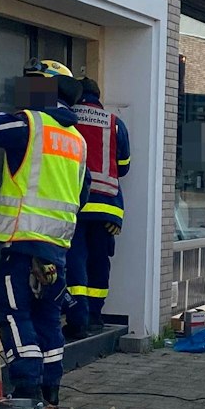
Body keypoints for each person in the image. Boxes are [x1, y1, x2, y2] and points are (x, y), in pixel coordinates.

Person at [0, 60, 87, 406]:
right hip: (57, 249)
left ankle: (26, 390)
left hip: (23, 243)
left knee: (14, 313)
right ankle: (50, 391)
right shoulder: (77, 140)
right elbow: (81, 196)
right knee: (47, 317)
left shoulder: (30, 124)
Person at [66, 78, 130, 337]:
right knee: (99, 262)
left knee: (75, 261)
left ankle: (77, 318)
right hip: (106, 207)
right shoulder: (114, 123)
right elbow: (123, 166)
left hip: (74, 204)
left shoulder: (67, 119)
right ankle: (95, 316)